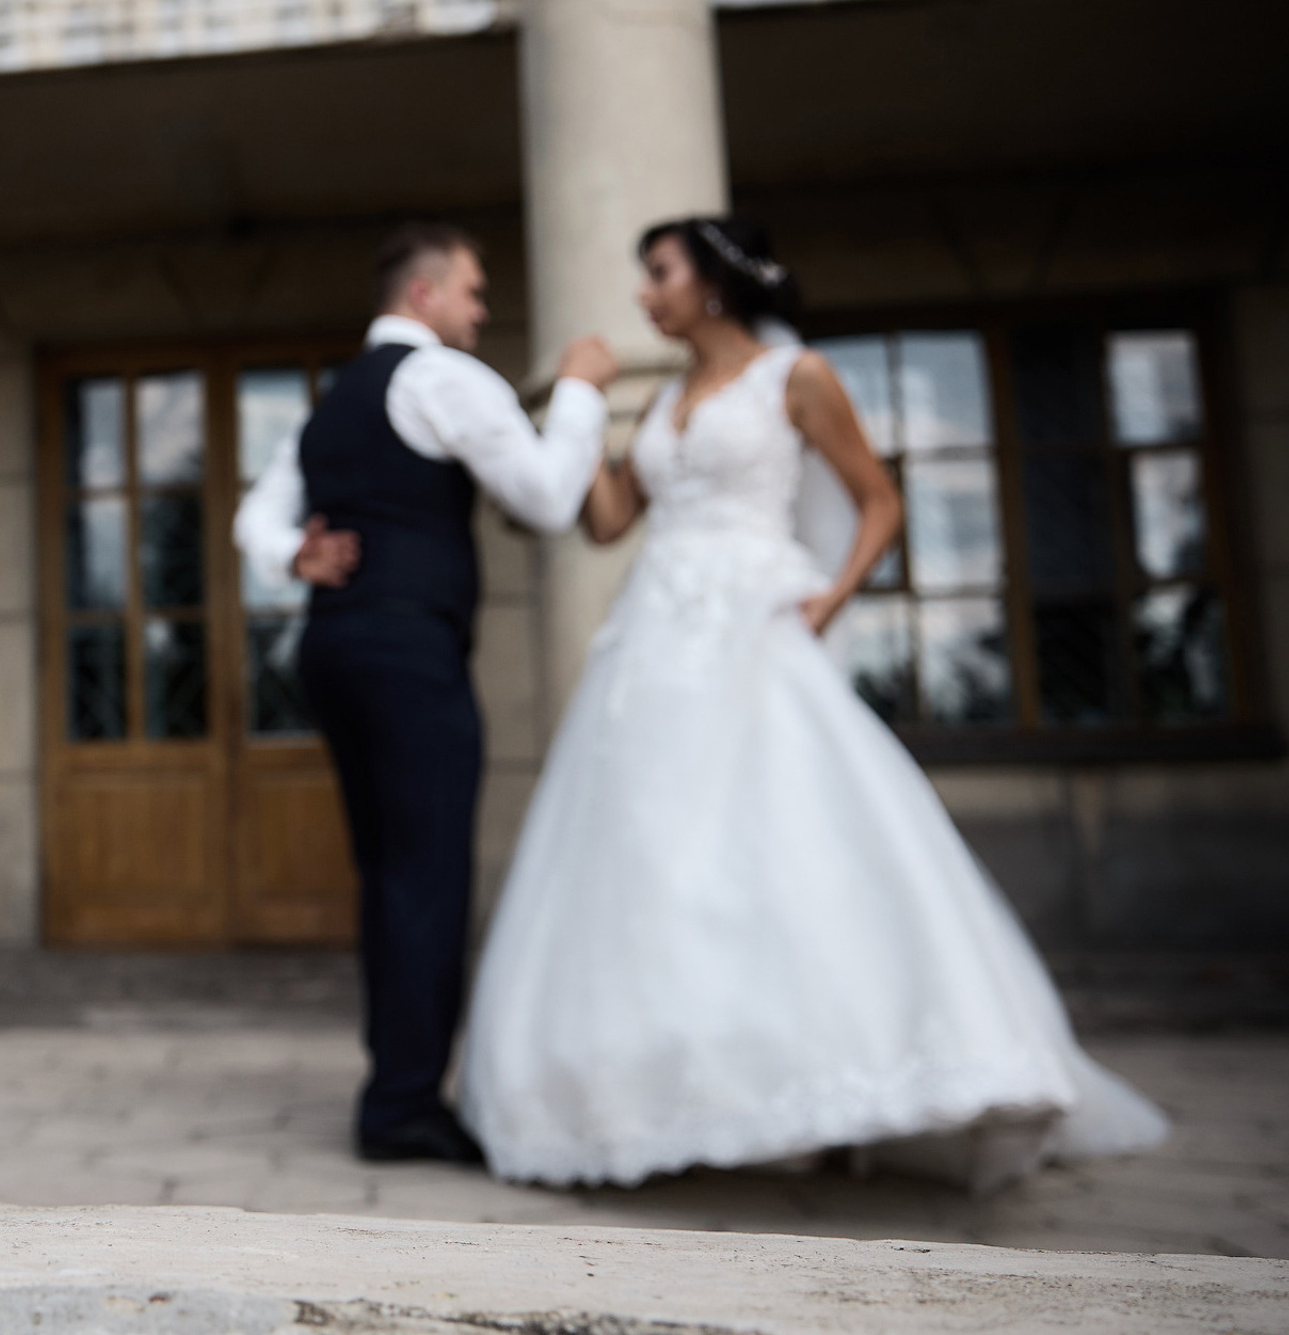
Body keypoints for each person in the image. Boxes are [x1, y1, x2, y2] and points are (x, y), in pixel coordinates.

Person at [456, 215, 1170, 1190]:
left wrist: (827, 599)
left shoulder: (793, 380)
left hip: (753, 630)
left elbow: (877, 499)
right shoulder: (661, 399)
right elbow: (612, 518)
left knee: (781, 842)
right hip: (653, 643)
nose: (642, 293)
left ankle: (838, 1089)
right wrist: (574, 407)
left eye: (656, 273)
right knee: (655, 857)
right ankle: (678, 1095)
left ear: (712, 282)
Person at [234, 221, 618, 1163]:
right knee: (427, 872)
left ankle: (397, 1087)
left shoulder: (328, 408)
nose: (482, 312)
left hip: (331, 650)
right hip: (409, 654)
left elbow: (254, 516)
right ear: (423, 296)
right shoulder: (444, 377)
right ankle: (403, 1106)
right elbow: (544, 496)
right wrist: (577, 391)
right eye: (474, 293)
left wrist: (295, 556)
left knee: (389, 875)